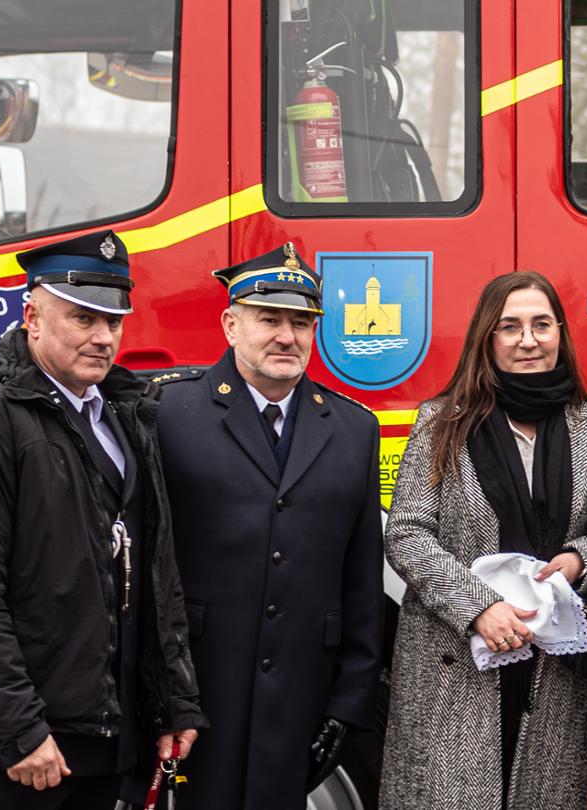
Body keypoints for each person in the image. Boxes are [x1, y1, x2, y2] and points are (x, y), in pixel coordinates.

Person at [0, 230, 204, 809]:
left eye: (114, 322)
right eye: (83, 319)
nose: (103, 338)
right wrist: (19, 730)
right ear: (33, 317)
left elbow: (154, 573)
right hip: (18, 749)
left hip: (100, 736)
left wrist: (174, 704)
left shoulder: (125, 418)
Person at [156, 244, 384, 808]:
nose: (288, 336)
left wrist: (348, 706)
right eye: (270, 319)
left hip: (301, 698)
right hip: (199, 694)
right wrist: (157, 693)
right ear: (231, 325)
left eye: (302, 322)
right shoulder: (168, 415)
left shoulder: (354, 428)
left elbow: (361, 581)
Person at [379, 271, 587, 810]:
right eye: (509, 326)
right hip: (455, 664)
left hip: (553, 666)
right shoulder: (441, 422)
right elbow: (408, 532)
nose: (527, 340)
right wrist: (479, 607)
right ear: (486, 338)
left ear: (561, 333)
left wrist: (581, 559)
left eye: (541, 324)